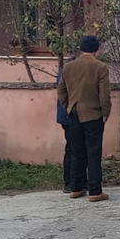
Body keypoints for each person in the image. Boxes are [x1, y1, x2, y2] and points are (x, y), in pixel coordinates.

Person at [58, 35, 111, 202]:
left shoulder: (68, 67)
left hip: (73, 112)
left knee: (76, 151)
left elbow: (61, 90)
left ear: (81, 48)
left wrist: (68, 106)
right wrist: (105, 113)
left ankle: (76, 188)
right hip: (93, 113)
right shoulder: (100, 67)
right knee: (93, 152)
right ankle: (95, 191)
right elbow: (104, 95)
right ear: (96, 50)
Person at [55, 62, 73, 194]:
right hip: (69, 115)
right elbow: (62, 92)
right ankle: (70, 182)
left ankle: (70, 182)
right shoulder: (69, 70)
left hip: (66, 114)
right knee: (73, 149)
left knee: (72, 148)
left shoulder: (65, 69)